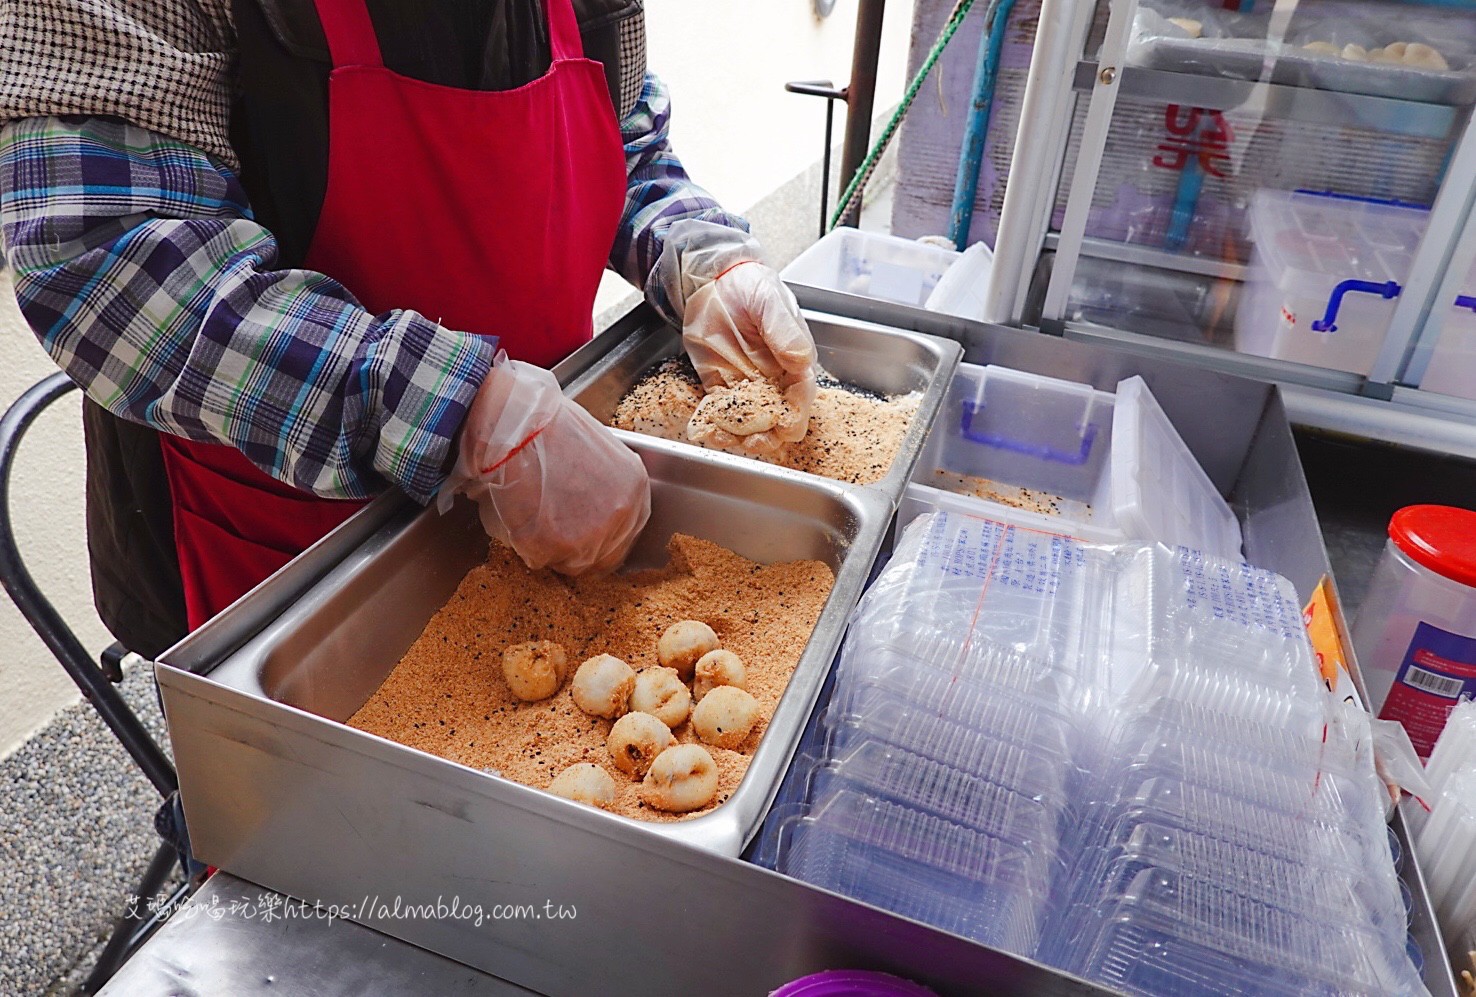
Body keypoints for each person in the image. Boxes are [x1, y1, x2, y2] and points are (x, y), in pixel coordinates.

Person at [0, 0, 818, 659]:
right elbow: (104, 259)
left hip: (559, 482)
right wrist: (468, 411)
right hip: (291, 547)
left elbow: (623, 126)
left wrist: (696, 251)